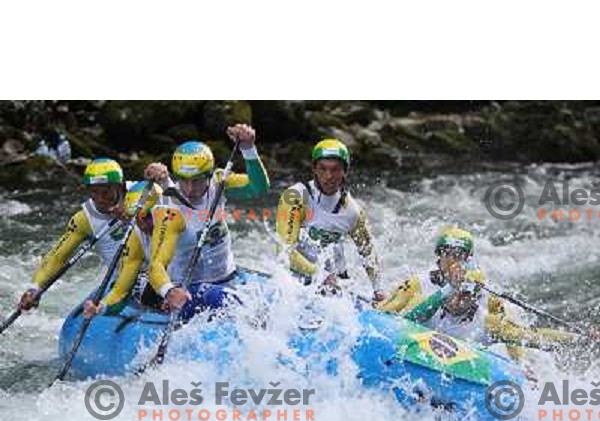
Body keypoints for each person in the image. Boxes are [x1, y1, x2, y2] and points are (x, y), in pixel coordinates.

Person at [376, 226, 576, 360]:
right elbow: (398, 318)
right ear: (439, 254)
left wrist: (574, 339)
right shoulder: (421, 290)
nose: (458, 300)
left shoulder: (487, 313)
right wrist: (449, 290)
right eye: (448, 253)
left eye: (459, 255)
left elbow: (531, 336)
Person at [144, 123, 270, 320]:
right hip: (188, 290)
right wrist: (170, 292)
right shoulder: (169, 211)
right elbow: (156, 265)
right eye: (183, 179)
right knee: (229, 302)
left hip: (228, 278)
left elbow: (259, 188)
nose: (189, 188)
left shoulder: (219, 182)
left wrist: (248, 148)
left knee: (266, 298)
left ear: (209, 175)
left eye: (197, 180)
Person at [275, 139, 385, 302]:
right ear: (314, 169)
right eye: (323, 169)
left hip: (336, 285)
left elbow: (367, 252)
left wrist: (378, 290)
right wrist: (320, 275)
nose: (328, 176)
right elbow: (284, 251)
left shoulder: (353, 211)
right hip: (296, 280)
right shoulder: (296, 197)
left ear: (344, 171)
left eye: (335, 169)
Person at [18, 158, 129, 311]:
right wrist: (34, 288)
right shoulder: (84, 219)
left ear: (120, 187)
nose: (101, 199)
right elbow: (57, 257)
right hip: (123, 279)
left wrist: (132, 208)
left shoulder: (140, 193)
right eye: (95, 192)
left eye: (106, 192)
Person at [82, 180, 163, 317]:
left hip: (191, 284)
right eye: (137, 217)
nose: (142, 224)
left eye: (147, 216)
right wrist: (101, 308)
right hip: (158, 286)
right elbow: (122, 289)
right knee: (145, 287)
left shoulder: (178, 226)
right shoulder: (135, 238)